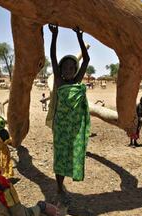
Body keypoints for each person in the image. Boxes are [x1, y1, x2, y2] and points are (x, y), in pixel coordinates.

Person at [48, 24, 90, 206]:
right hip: (60, 126)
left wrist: (80, 38)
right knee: (60, 155)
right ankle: (59, 186)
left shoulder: (77, 80)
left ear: (75, 69)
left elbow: (87, 59)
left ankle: (64, 183)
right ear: (61, 69)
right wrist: (54, 35)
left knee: (72, 152)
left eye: (72, 67)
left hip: (73, 127)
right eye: (65, 67)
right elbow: (52, 56)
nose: (68, 70)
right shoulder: (58, 80)